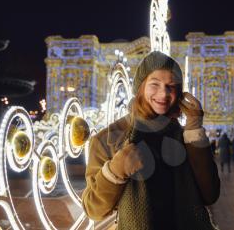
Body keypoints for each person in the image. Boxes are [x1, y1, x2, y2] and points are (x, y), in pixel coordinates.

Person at [82, 51, 220, 230]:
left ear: (179, 93)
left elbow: (210, 195)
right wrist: (114, 172)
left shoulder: (185, 137)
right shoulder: (109, 139)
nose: (163, 94)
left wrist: (195, 130)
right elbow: (93, 209)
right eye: (154, 84)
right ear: (140, 87)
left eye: (171, 86)